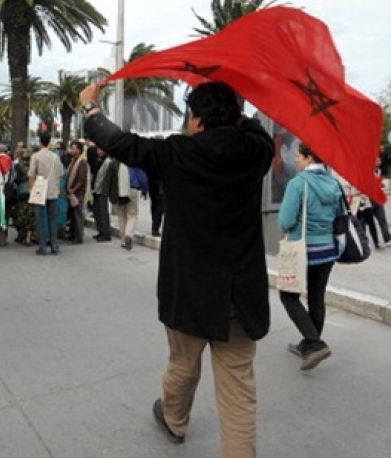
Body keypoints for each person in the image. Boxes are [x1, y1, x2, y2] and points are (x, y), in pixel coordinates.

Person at [82, 81, 274, 458]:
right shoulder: (256, 151)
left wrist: (90, 108)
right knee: (239, 389)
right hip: (241, 292)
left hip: (189, 290)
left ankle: (174, 420)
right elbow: (255, 128)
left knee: (183, 365)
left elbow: (121, 142)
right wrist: (238, 104)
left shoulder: (176, 153)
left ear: (197, 119)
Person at [278, 144, 345, 371]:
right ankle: (309, 344)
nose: (296, 159)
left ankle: (315, 343)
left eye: (298, 155)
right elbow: (340, 220)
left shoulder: (298, 184)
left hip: (301, 250)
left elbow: (286, 221)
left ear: (308, 158)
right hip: (327, 249)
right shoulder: (334, 183)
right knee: (316, 297)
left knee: (288, 295)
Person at [28, 131, 64, 255]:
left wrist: (32, 189)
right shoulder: (55, 156)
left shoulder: (36, 156)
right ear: (49, 142)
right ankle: (54, 245)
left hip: (39, 190)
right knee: (52, 219)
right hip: (53, 191)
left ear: (40, 141)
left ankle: (42, 247)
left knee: (39, 219)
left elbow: (31, 174)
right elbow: (60, 173)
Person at [102, 157, 138, 250]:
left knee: (121, 216)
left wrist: (107, 194)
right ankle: (129, 234)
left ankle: (123, 240)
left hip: (117, 193)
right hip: (132, 191)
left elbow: (107, 180)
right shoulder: (134, 160)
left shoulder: (113, 163)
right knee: (132, 215)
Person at [10, 148, 35, 246]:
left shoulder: (17, 166)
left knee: (19, 215)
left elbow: (14, 179)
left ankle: (21, 236)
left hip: (21, 194)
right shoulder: (34, 166)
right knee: (31, 215)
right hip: (32, 193)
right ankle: (28, 237)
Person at [66, 141, 89, 244]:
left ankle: (79, 237)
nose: (72, 150)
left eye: (74, 148)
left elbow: (81, 179)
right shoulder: (73, 161)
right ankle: (72, 234)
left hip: (77, 193)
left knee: (78, 215)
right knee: (72, 215)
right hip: (71, 192)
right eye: (72, 148)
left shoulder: (82, 162)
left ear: (79, 150)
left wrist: (73, 189)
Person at [90, 148, 112, 242]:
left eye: (100, 150)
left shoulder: (107, 162)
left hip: (102, 190)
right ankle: (100, 231)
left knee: (103, 212)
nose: (98, 151)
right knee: (97, 212)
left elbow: (104, 178)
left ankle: (105, 233)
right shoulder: (99, 160)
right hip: (96, 189)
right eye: (98, 149)